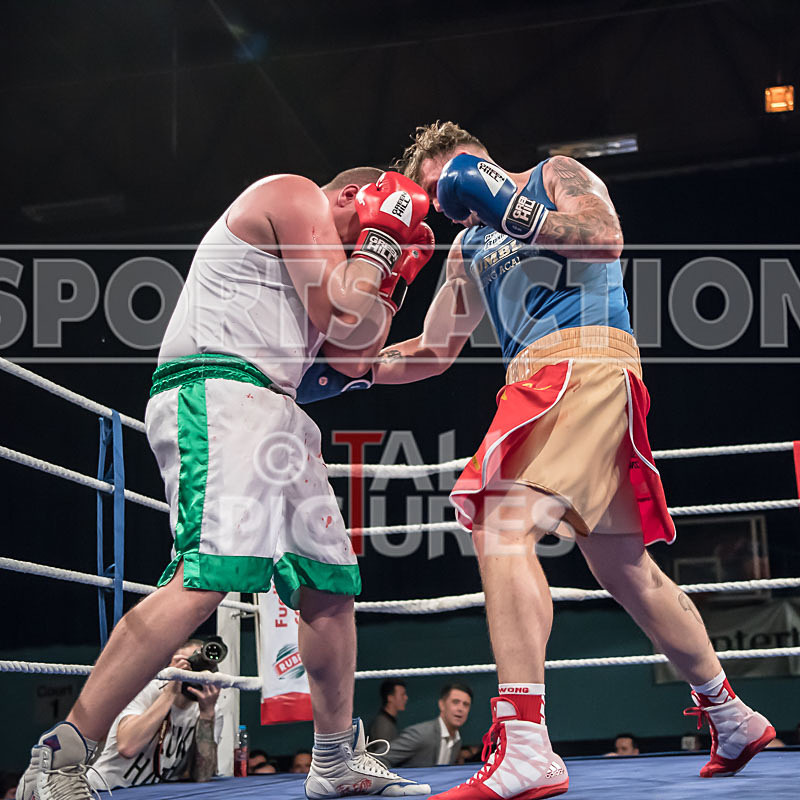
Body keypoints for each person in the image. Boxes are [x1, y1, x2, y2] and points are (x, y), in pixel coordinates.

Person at [373, 120, 775, 799]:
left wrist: (516, 208)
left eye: (444, 185)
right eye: (437, 199)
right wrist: (351, 368)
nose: (444, 205)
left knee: (500, 521)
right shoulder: (468, 244)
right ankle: (731, 715)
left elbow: (604, 239)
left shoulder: (550, 177)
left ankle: (526, 741)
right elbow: (435, 350)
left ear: (468, 159)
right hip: (545, 377)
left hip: (581, 360)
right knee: (624, 567)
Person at [18, 166, 435, 800]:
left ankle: (332, 761)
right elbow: (342, 308)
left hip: (277, 408)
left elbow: (354, 351)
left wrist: (392, 277)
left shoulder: (330, 257)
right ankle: (61, 753)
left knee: (329, 586)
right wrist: (381, 245)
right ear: (353, 196)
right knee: (204, 579)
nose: (360, 248)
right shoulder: (295, 195)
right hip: (221, 388)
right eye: (361, 227)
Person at [88, 640, 222, 790]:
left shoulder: (209, 709)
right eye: (188, 663)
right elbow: (127, 747)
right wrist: (169, 693)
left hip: (150, 793)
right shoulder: (145, 690)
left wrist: (207, 714)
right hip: (104, 790)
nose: (194, 671)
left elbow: (202, 775)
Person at [380, 684, 472, 768]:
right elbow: (377, 759)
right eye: (455, 702)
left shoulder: (457, 740)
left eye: (466, 704)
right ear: (442, 705)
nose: (461, 709)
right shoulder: (420, 734)